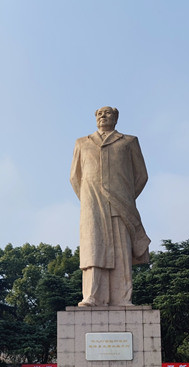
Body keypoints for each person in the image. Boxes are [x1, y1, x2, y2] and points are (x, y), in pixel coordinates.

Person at [70, 106, 150, 306]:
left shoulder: (129, 142)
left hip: (121, 204)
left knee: (121, 251)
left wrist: (125, 196)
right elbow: (75, 177)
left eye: (107, 113)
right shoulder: (82, 143)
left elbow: (141, 176)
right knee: (94, 250)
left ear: (116, 117)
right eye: (98, 114)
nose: (102, 116)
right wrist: (90, 198)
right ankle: (92, 296)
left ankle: (123, 298)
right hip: (92, 206)